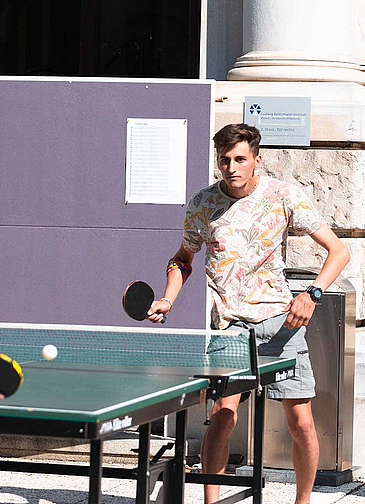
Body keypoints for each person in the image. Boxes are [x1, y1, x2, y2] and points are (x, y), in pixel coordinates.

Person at [147, 123, 349, 504]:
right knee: (222, 418)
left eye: (240, 159)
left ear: (257, 160)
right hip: (228, 328)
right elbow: (182, 259)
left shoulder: (285, 196)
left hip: (281, 325)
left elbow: (338, 251)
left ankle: (302, 502)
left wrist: (311, 294)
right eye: (224, 160)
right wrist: (168, 298)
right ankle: (211, 502)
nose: (231, 167)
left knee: (302, 423)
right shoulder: (203, 204)